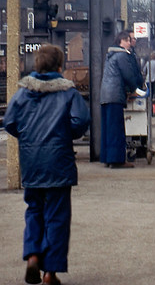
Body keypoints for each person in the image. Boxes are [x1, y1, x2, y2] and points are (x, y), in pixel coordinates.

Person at [3, 44, 90, 285]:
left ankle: (32, 255)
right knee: (57, 216)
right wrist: (63, 134)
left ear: (36, 65)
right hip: (58, 162)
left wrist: (29, 136)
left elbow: (10, 122)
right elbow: (81, 120)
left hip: (32, 163)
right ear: (60, 67)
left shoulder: (22, 92)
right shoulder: (68, 92)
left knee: (34, 209)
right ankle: (50, 272)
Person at [100, 30, 145, 168]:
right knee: (117, 129)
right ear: (120, 42)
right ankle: (117, 160)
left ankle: (107, 158)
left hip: (106, 95)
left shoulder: (110, 55)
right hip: (115, 95)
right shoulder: (122, 55)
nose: (129, 43)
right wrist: (135, 90)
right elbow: (128, 75)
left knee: (107, 128)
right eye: (126, 40)